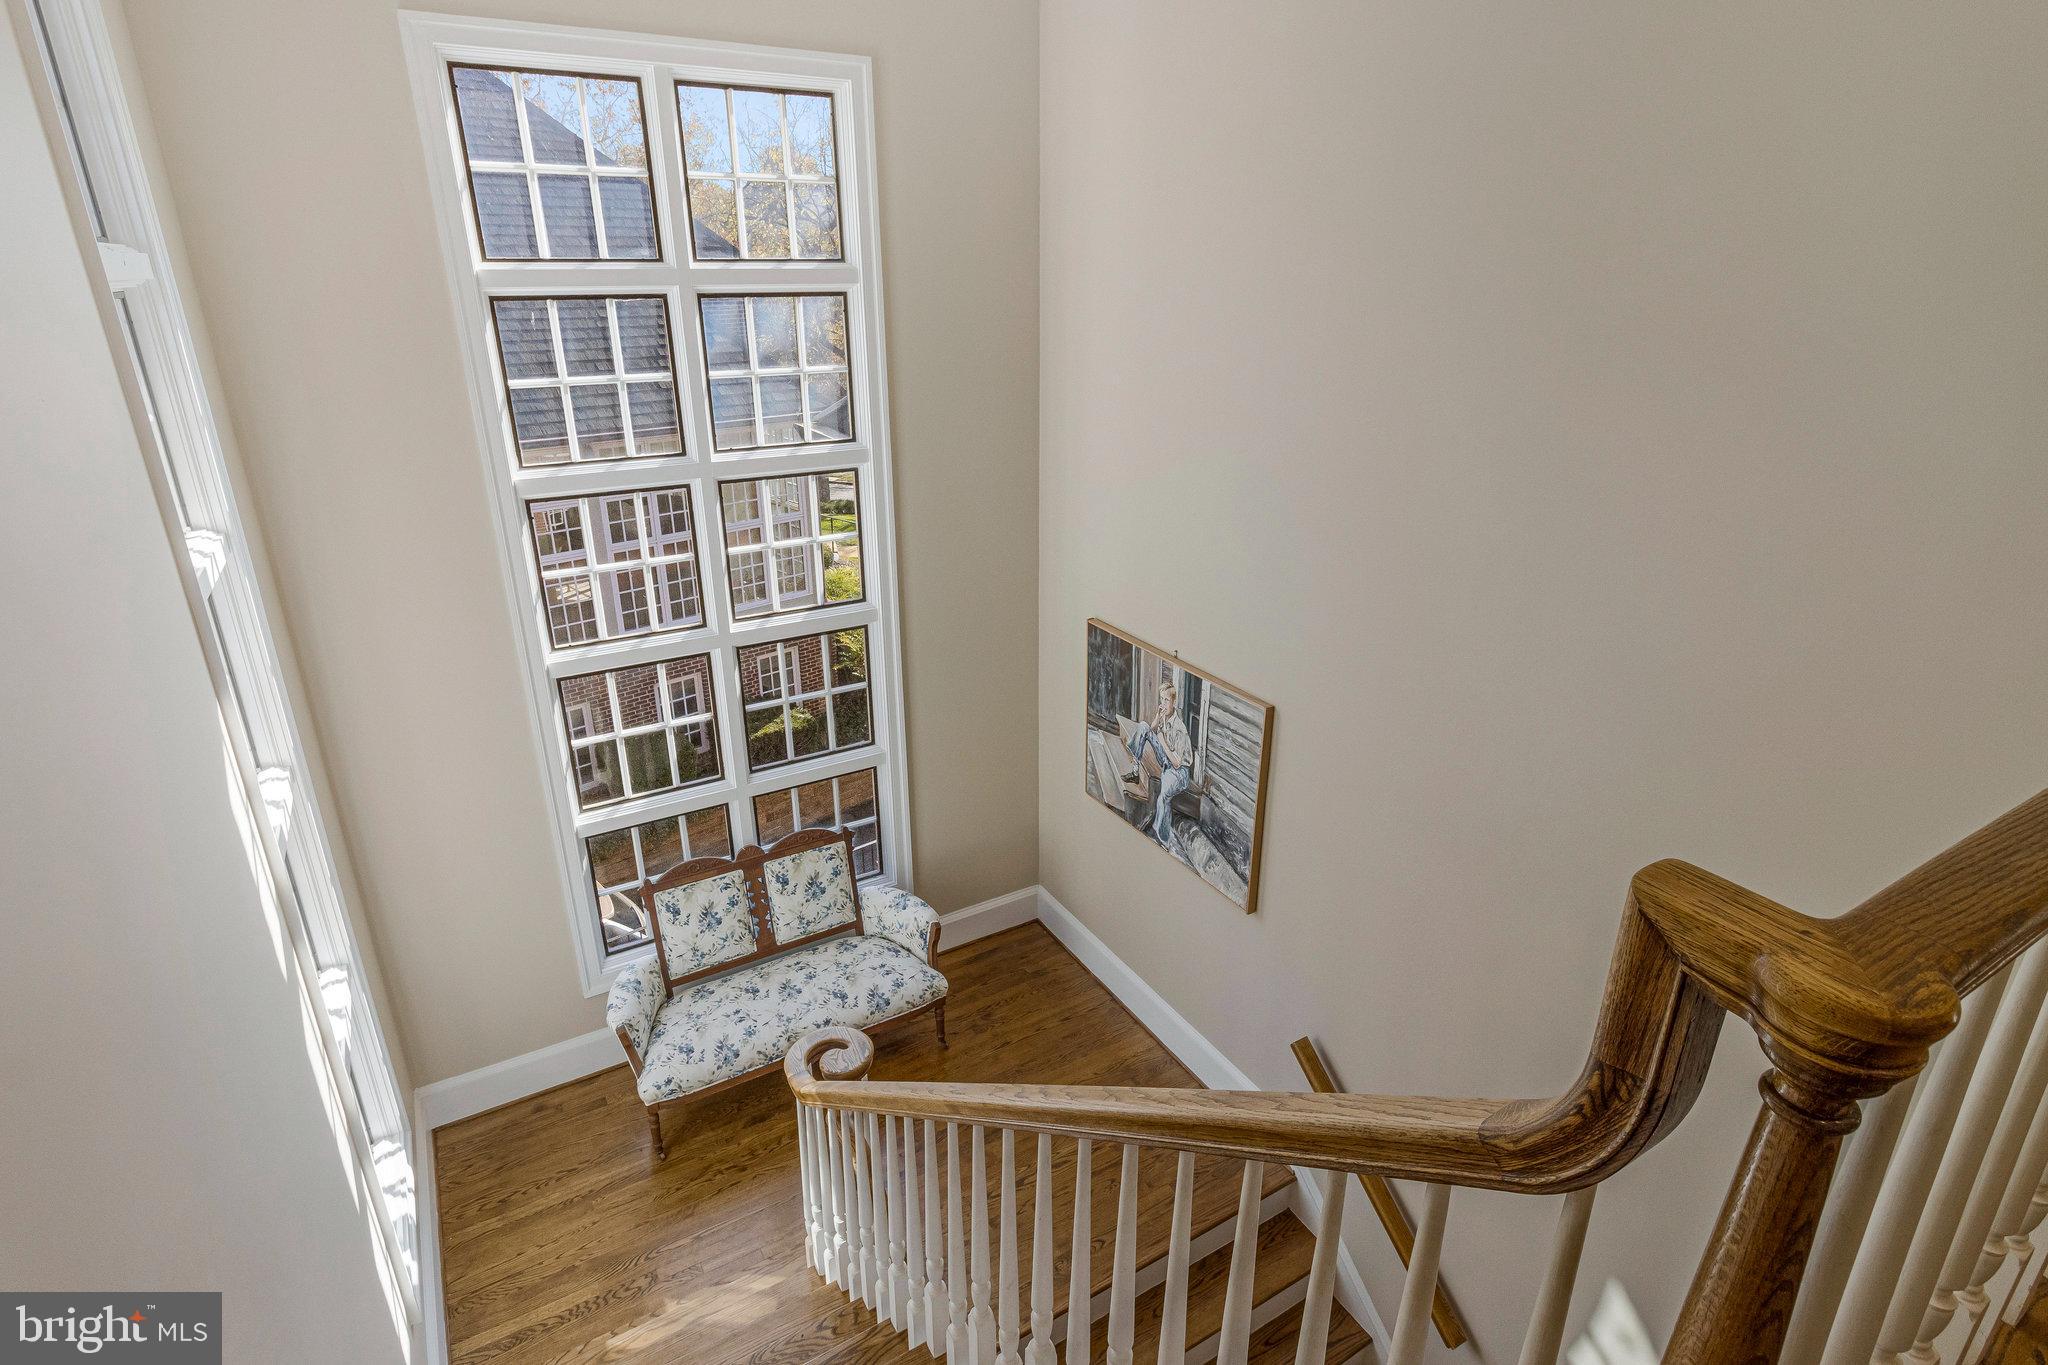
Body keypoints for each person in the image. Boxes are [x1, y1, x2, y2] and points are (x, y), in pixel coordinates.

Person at [1124, 677, 1193, 854]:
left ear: (1174, 702)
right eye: (1161, 699)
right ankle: (1135, 768)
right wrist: (1157, 717)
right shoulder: (1164, 715)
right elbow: (1153, 729)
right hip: (1166, 761)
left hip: (1179, 772)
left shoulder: (1179, 728)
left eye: (1167, 700)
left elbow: (1178, 763)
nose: (1163, 703)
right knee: (1144, 726)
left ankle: (1162, 838)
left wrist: (1161, 741)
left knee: (1163, 798)